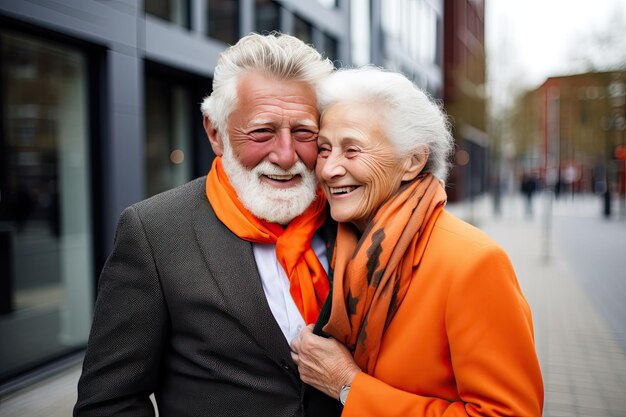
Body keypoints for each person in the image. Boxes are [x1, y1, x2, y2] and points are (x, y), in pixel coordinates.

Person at [74, 33, 343, 417]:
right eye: (262, 132)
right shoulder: (154, 230)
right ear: (215, 133)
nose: (285, 156)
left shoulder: (352, 219)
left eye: (304, 133)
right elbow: (109, 402)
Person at [290, 67, 544, 416]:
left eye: (352, 151)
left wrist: (349, 385)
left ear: (413, 161)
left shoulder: (473, 263)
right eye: (323, 149)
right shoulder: (334, 244)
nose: (329, 169)